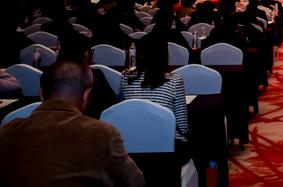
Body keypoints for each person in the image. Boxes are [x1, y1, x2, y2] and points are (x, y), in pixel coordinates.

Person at [0, 60, 144, 187]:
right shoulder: (102, 134)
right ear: (86, 96)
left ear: (41, 93)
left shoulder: (5, 132)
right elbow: (136, 182)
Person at [122, 33, 190, 163]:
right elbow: (183, 127)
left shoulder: (126, 78)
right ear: (164, 55)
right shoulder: (175, 80)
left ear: (140, 55)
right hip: (166, 150)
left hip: (132, 148)